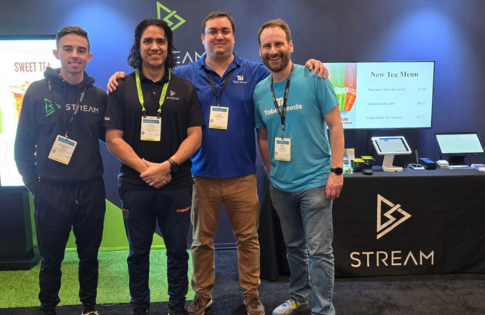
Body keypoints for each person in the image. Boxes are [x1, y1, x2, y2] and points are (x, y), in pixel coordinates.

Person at [107, 12, 327, 315]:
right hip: (200, 175)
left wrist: (312, 65)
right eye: (212, 32)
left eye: (225, 31)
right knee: (201, 242)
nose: (219, 36)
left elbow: (285, 72)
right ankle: (202, 295)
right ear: (202, 38)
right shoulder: (183, 74)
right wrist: (119, 77)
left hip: (242, 175)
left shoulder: (254, 72)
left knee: (248, 241)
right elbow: (151, 77)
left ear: (234, 37)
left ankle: (251, 293)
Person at [104, 18, 204, 315]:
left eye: (160, 41)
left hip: (176, 183)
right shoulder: (121, 87)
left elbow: (195, 137)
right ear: (138, 46)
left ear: (168, 47)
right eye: (148, 41)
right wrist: (147, 169)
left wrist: (168, 165)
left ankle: (176, 307)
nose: (154, 47)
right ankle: (140, 308)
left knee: (177, 252)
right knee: (138, 254)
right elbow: (113, 139)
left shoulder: (185, 88)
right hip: (136, 185)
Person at [253, 19, 344, 315]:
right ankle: (300, 297)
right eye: (267, 45)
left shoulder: (315, 76)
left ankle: (323, 309)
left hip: (316, 182)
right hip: (281, 185)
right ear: (260, 51)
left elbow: (335, 124)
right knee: (294, 247)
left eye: (279, 44)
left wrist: (337, 170)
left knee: (319, 252)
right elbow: (264, 137)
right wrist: (272, 171)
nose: (273, 50)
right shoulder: (259, 91)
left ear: (291, 46)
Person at [14, 26, 107, 315]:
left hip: (91, 189)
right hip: (51, 191)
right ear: (57, 53)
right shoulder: (37, 91)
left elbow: (115, 137)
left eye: (81, 50)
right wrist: (36, 187)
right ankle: (48, 309)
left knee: (89, 257)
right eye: (68, 49)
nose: (75, 55)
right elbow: (22, 147)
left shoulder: (98, 96)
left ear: (89, 56)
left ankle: (89, 308)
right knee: (51, 260)